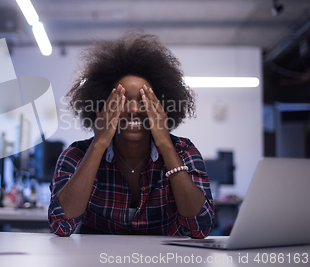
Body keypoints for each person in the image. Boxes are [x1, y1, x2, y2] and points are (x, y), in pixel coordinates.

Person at [48, 31, 214, 238]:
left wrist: (165, 143)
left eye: (144, 101)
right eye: (123, 99)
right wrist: (99, 142)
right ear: (102, 106)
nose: (134, 109)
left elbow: (200, 227)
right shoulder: (76, 155)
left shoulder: (183, 152)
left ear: (162, 108)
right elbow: (61, 225)